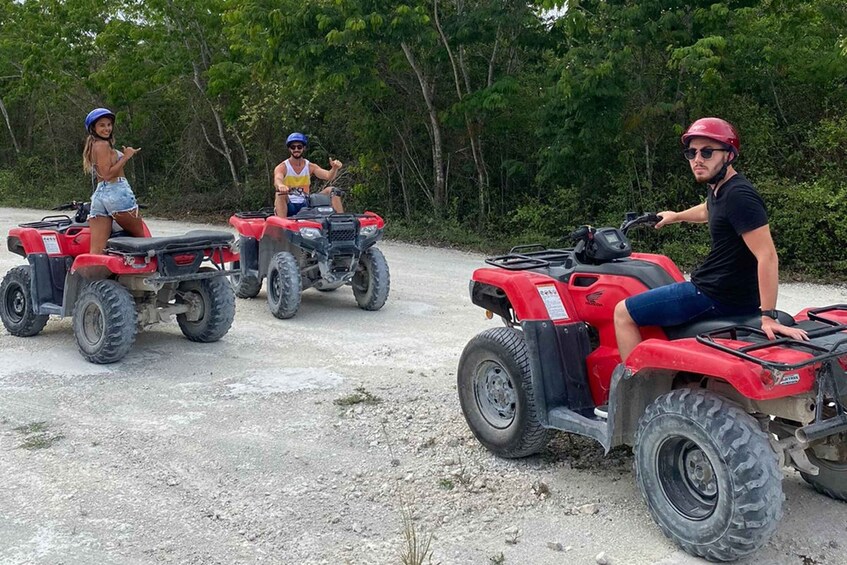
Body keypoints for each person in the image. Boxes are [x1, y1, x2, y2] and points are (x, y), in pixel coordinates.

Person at [614, 117, 808, 361]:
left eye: (707, 152)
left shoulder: (739, 196)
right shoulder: (720, 187)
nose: (697, 159)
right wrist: (675, 217)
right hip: (724, 294)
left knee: (622, 312)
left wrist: (767, 316)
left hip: (713, 296)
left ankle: (635, 387)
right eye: (691, 152)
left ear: (728, 155)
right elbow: (708, 209)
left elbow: (767, 256)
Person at [81, 108, 145, 254]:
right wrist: (126, 157)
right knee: (143, 241)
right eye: (102, 125)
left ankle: (94, 276)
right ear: (93, 128)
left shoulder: (94, 145)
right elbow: (107, 175)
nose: (107, 128)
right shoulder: (102, 145)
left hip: (100, 195)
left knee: (97, 251)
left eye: (109, 124)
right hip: (116, 191)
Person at [273, 132, 344, 217]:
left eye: (299, 147)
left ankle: (341, 221)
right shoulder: (283, 167)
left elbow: (328, 176)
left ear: (304, 148)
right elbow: (278, 179)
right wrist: (281, 185)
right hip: (289, 204)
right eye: (293, 147)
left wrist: (334, 168)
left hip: (306, 203)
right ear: (289, 149)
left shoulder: (310, 166)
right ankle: (282, 225)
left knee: (332, 190)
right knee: (279, 194)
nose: (296, 149)